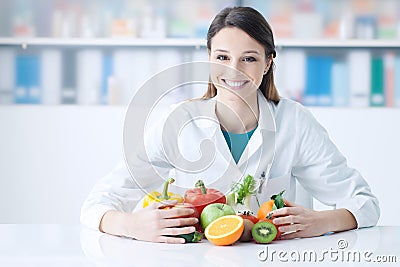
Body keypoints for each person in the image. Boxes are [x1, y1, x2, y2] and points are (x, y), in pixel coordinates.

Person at [80, 6, 379, 243]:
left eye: (248, 58)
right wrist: (132, 225)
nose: (232, 71)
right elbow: (98, 202)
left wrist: (323, 221)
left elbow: (364, 202)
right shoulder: (178, 122)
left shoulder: (294, 122)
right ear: (209, 57)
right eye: (222, 56)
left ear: (268, 63)